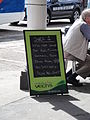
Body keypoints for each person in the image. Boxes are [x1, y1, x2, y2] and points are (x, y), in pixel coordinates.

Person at [63, 8, 90, 87]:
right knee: (89, 61)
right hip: (72, 52)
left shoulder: (78, 22)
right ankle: (72, 77)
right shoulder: (84, 25)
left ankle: (68, 76)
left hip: (68, 50)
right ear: (87, 18)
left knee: (86, 59)